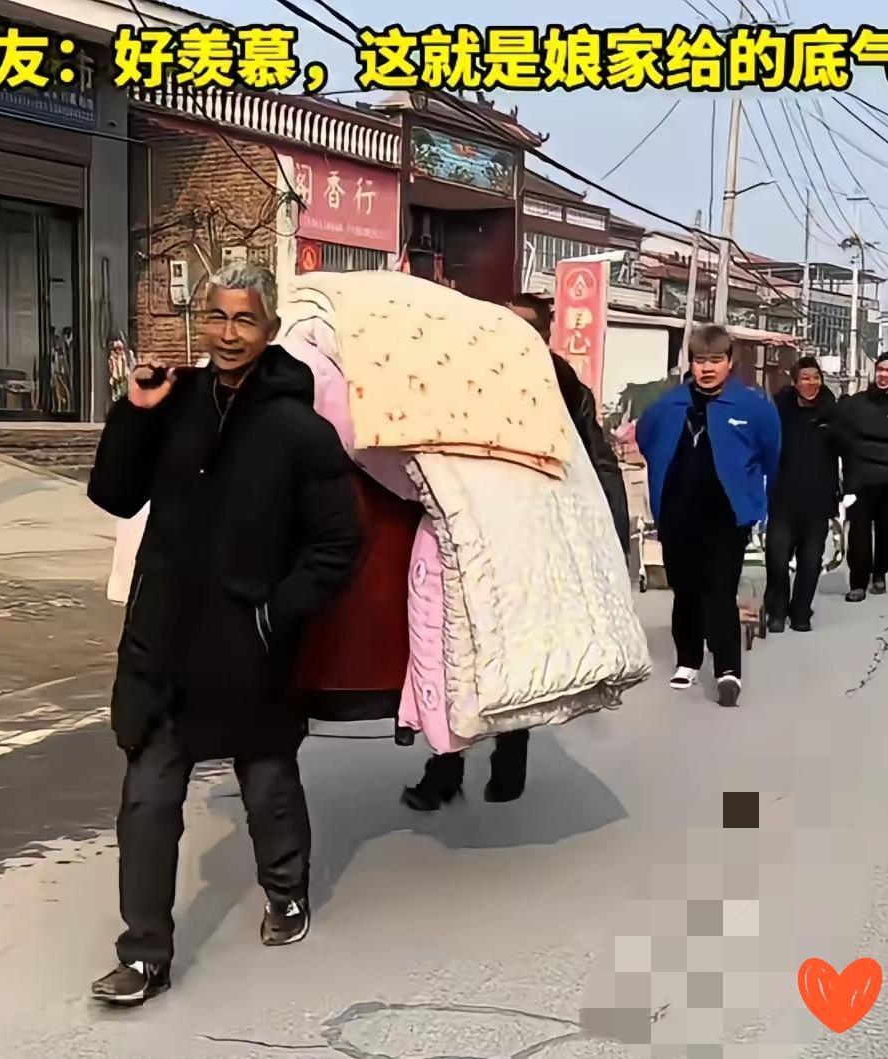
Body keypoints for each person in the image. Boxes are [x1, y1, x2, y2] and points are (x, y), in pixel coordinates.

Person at [87, 264, 362, 1005]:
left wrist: (274, 615)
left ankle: (287, 891)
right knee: (147, 796)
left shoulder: (301, 431)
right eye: (217, 317)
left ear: (269, 329)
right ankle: (145, 953)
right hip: (163, 639)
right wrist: (134, 411)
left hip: (248, 647)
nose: (229, 333)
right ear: (200, 321)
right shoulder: (173, 405)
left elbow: (338, 544)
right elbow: (114, 494)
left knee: (266, 778)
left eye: (244, 319)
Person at [401, 292, 630, 812]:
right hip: (464, 531)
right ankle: (445, 767)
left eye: (525, 327)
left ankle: (511, 753)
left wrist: (613, 543)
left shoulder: (563, 385)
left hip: (530, 535)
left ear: (544, 336)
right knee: (454, 651)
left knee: (515, 649)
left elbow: (595, 461)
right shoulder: (460, 376)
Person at [636, 324, 780, 708]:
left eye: (716, 360)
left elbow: (771, 456)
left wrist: (758, 501)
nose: (707, 368)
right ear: (691, 363)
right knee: (685, 588)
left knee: (720, 590)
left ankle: (727, 670)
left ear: (730, 362)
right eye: (700, 360)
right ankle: (688, 659)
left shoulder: (752, 408)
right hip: (678, 512)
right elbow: (646, 440)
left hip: (727, 515)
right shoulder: (668, 406)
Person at [763, 357, 839, 632]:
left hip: (818, 501)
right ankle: (776, 609)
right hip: (783, 499)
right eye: (805, 378)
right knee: (776, 559)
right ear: (795, 382)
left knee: (810, 561)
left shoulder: (832, 413)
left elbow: (850, 448)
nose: (811, 383)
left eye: (816, 377)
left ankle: (800, 611)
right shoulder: (778, 411)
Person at [835, 352, 888, 602]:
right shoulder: (855, 404)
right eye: (881, 370)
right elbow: (838, 435)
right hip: (859, 478)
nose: (884, 375)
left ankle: (879, 573)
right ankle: (858, 582)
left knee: (886, 532)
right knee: (859, 534)